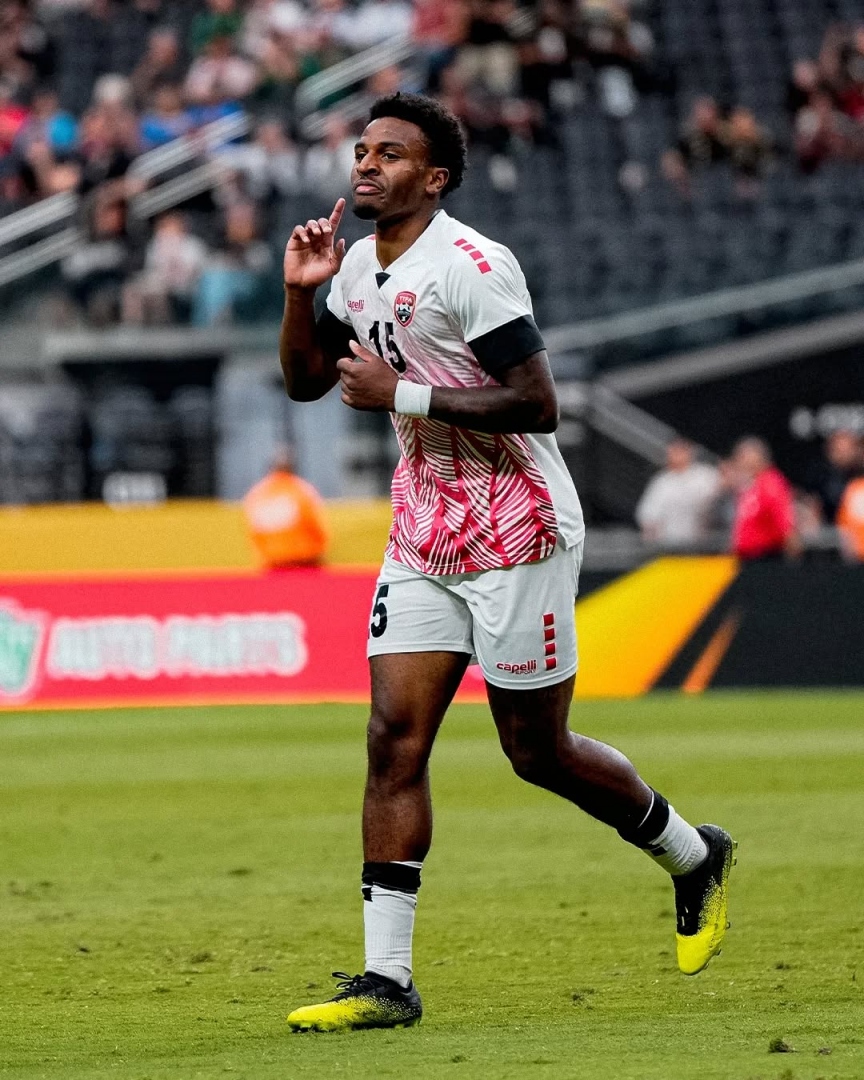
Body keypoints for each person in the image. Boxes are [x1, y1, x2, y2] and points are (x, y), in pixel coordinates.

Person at [279, 92, 735, 1033]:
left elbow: (537, 403)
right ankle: (388, 981)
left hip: (516, 527)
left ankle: (694, 855)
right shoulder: (356, 269)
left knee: (536, 751)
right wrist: (299, 293)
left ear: (435, 178)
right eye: (362, 150)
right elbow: (307, 381)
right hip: (424, 528)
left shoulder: (473, 267)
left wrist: (405, 394)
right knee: (392, 739)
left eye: (390, 154)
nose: (365, 164)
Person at [243, 446, 329, 567]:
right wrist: (320, 548)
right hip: (303, 559)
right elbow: (314, 523)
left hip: (272, 560)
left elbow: (254, 530)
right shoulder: (301, 489)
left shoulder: (258, 492)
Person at [635, 438, 719, 547]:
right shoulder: (662, 481)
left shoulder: (706, 475)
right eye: (673, 450)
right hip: (668, 546)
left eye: (681, 450)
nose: (676, 454)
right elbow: (647, 516)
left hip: (701, 545)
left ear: (691, 452)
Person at [728, 437, 798, 560]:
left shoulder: (770, 482)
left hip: (766, 555)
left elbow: (783, 520)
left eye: (744, 456)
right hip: (747, 556)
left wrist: (791, 545)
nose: (741, 461)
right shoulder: (752, 484)